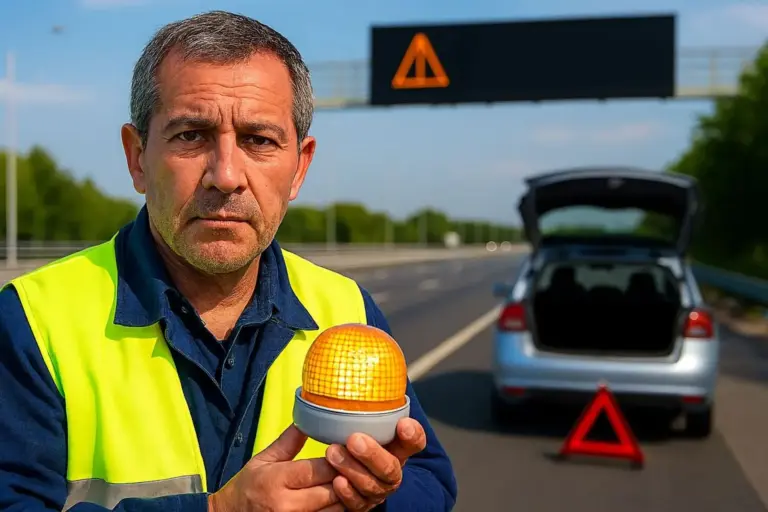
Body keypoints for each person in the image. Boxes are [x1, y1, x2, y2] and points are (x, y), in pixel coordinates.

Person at [0, 10, 457, 512]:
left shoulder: (348, 309)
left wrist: (375, 497)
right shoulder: (34, 321)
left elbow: (428, 481)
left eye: (258, 140)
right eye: (191, 136)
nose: (226, 175)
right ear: (137, 157)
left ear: (300, 166)